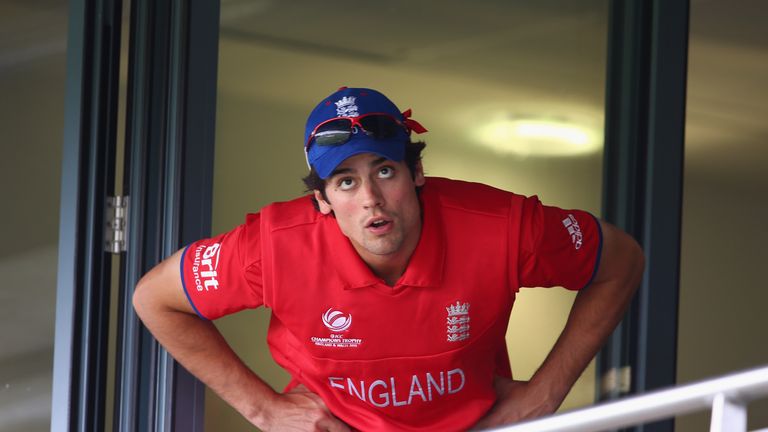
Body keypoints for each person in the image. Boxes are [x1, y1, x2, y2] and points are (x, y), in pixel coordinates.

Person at [133, 87, 644, 431]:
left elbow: (620, 259)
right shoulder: (271, 245)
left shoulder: (504, 226)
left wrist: (545, 393)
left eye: (385, 171)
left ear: (416, 173)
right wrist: (264, 409)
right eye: (346, 181)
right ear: (322, 200)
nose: (371, 199)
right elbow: (155, 299)